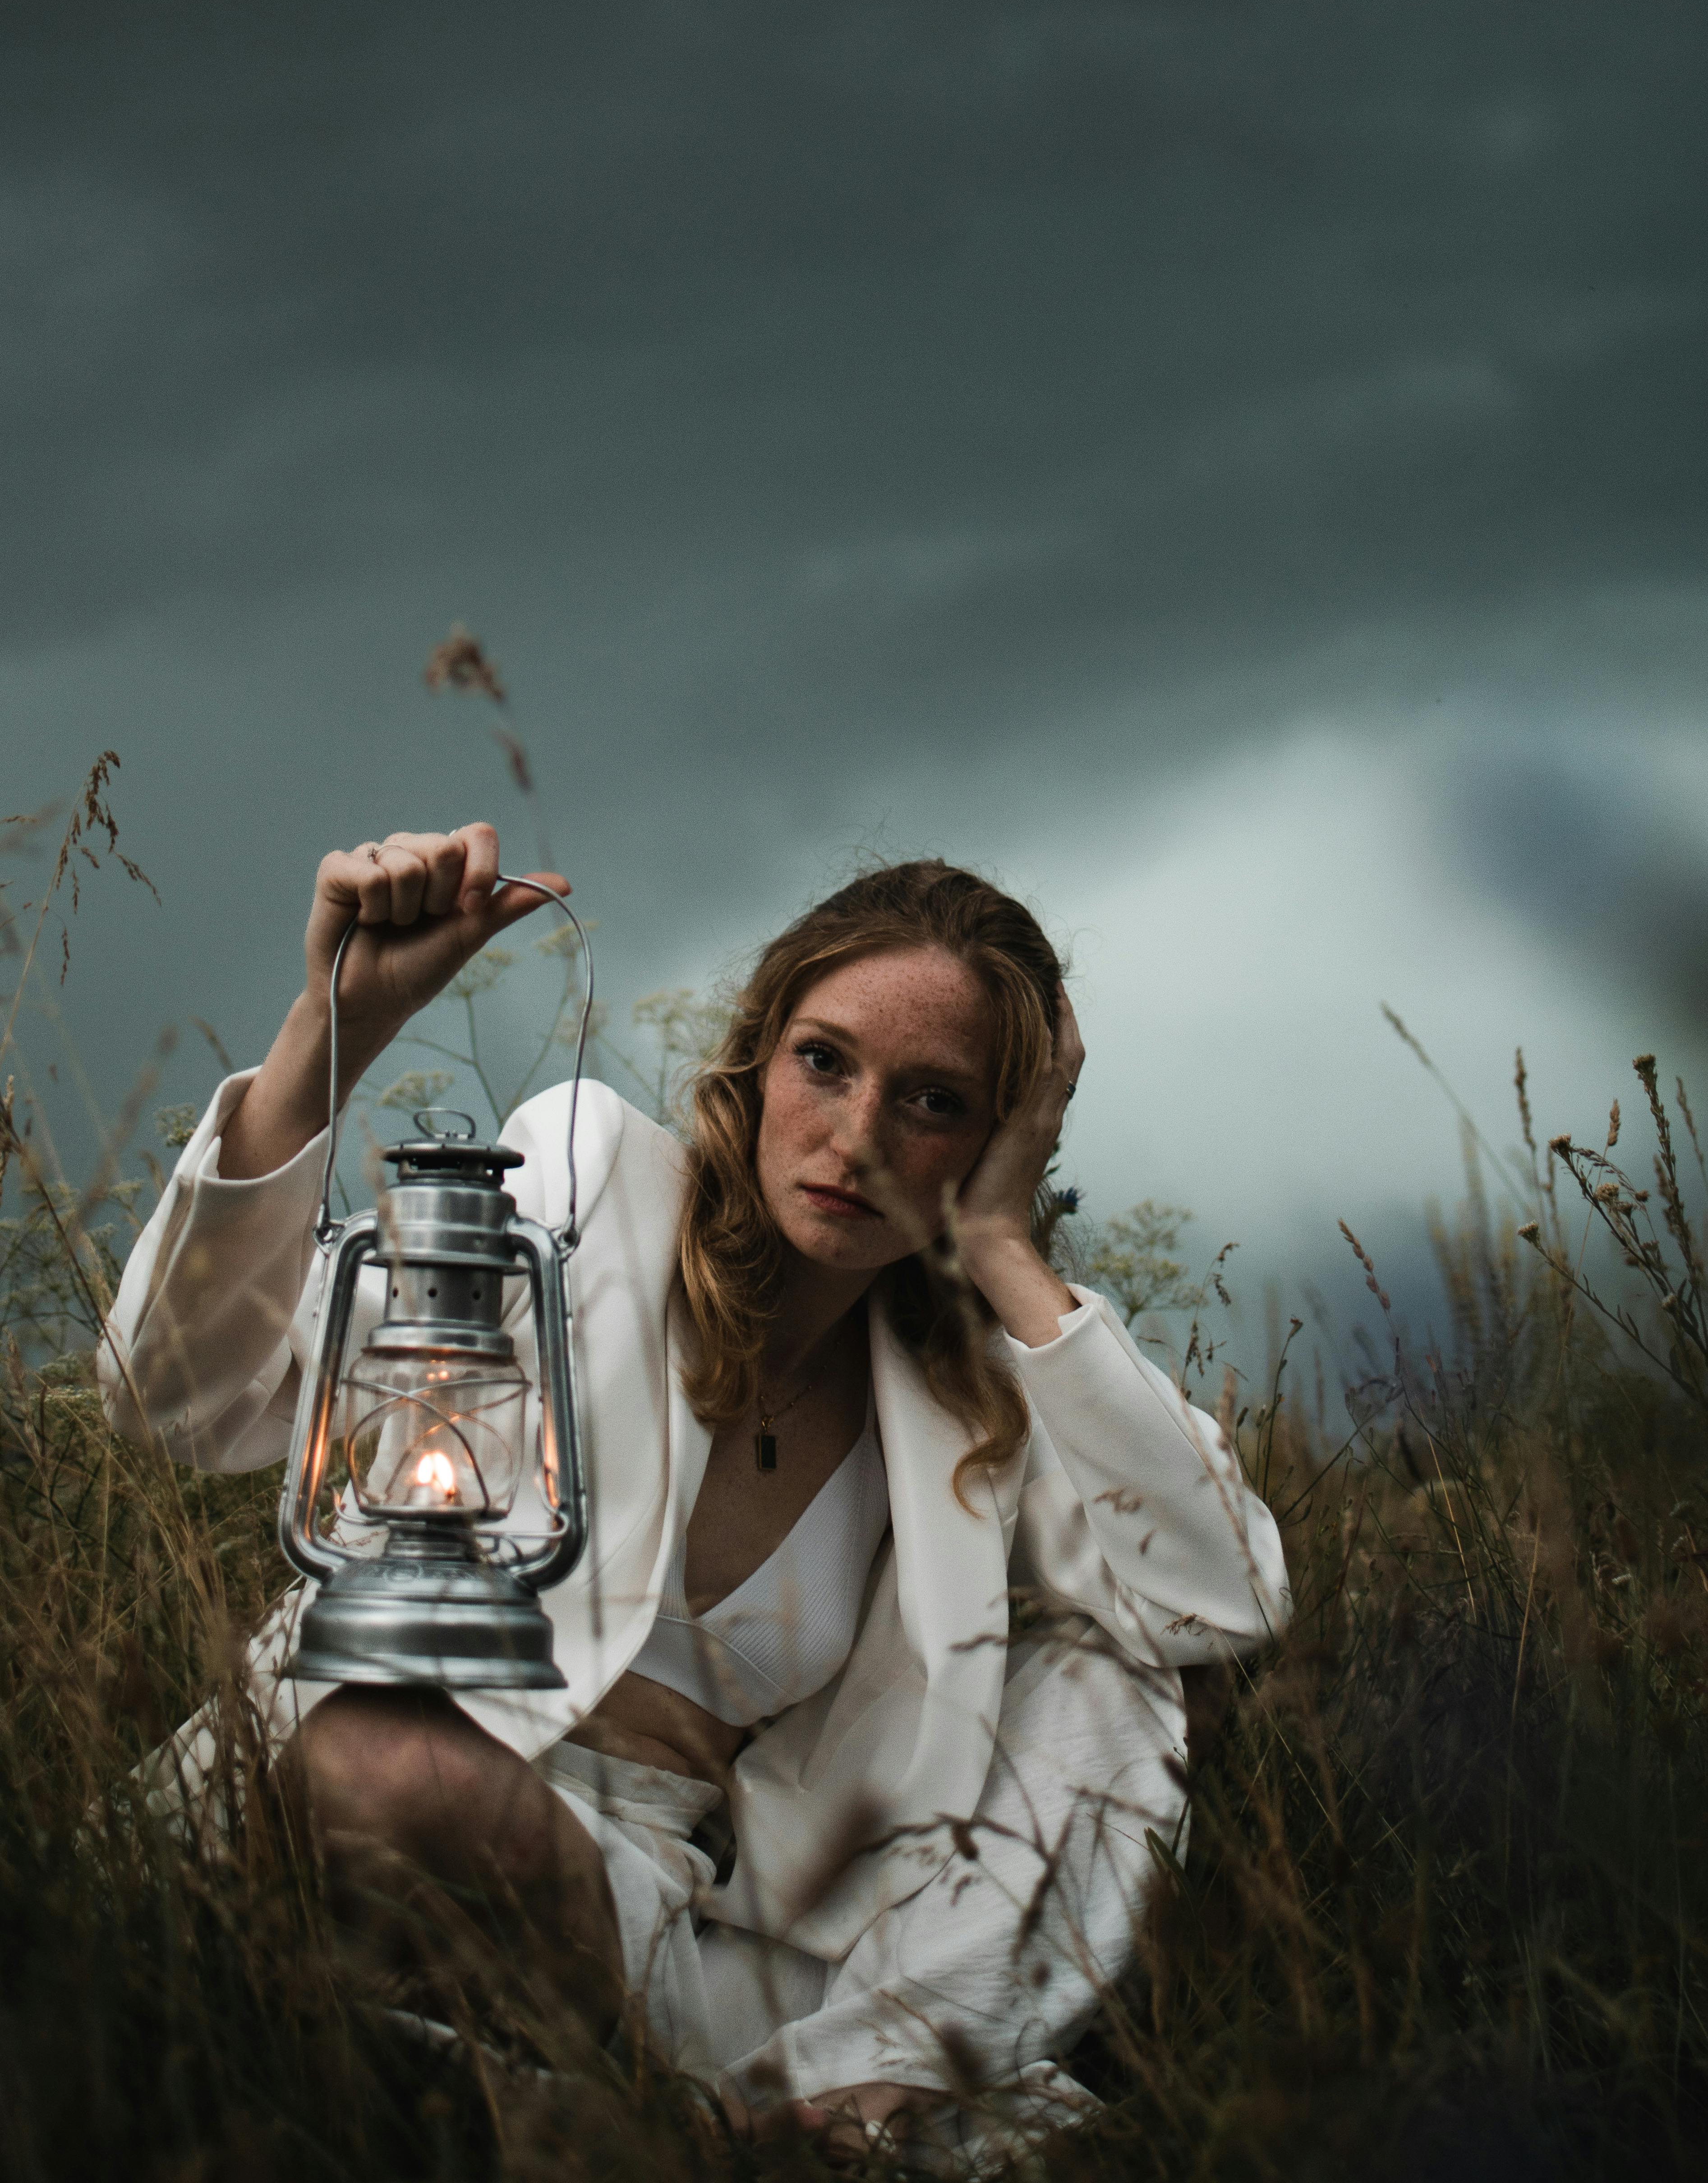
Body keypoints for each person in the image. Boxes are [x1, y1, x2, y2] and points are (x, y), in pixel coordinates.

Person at [105, 829, 1288, 2161]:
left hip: (668, 1930)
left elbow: (1218, 1603)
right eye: (824, 1063)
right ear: (759, 1052)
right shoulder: (590, 1179)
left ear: (1000, 1138)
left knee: (1113, 1665)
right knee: (387, 1761)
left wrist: (1004, 1246)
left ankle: (811, 2087)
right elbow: (180, 1401)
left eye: (934, 1101)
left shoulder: (976, 1397)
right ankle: (678, 2136)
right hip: (367, 1785)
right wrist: (342, 1023)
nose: (854, 1138)